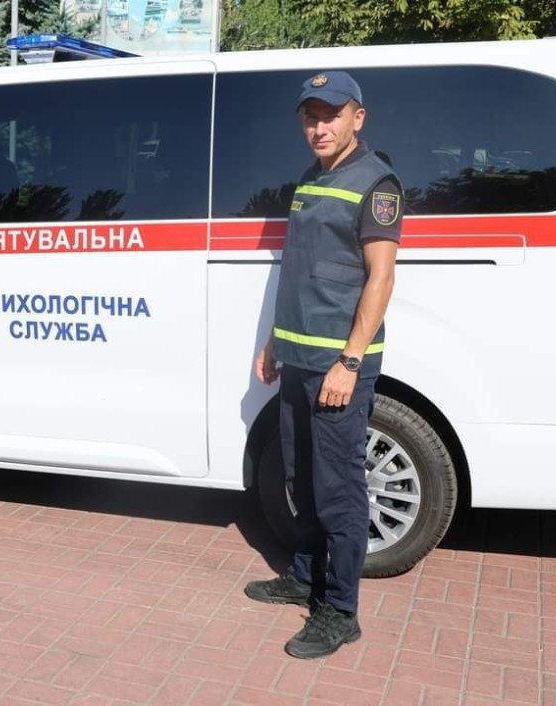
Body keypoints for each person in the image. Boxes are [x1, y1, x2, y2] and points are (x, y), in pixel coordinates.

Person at [245, 71, 403, 658]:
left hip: (338, 364)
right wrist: (273, 342)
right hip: (297, 356)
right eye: (311, 116)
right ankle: (305, 575)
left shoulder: (377, 182)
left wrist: (350, 362)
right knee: (301, 479)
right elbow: (298, 270)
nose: (320, 126)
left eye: (331, 114)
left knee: (339, 490)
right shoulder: (311, 179)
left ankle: (340, 610)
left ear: (357, 117)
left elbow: (381, 278)